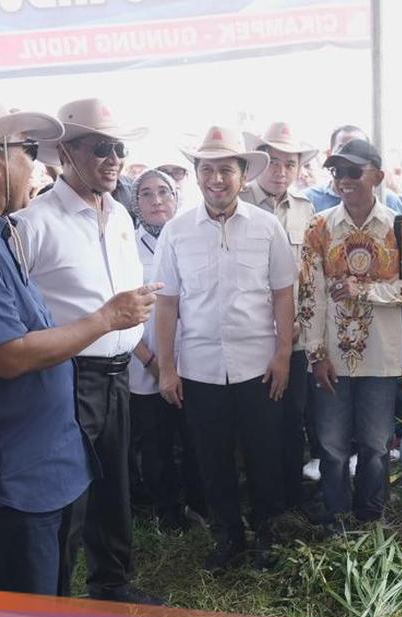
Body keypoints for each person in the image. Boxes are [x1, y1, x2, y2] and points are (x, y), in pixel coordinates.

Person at [0, 89, 157, 595]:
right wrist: (107, 318)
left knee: (46, 594)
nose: (35, 166)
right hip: (5, 469)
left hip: (31, 458)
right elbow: (8, 353)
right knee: (26, 603)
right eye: (28, 152)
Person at [16, 98, 157, 605]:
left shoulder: (120, 212)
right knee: (67, 496)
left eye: (118, 147)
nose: (113, 157)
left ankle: (111, 586)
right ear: (65, 154)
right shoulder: (33, 223)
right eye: (101, 147)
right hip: (65, 376)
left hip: (117, 372)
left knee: (114, 486)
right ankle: (53, 599)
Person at [153, 126, 296, 571]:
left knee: (264, 454)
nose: (217, 179)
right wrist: (167, 369)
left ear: (241, 174)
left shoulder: (267, 227)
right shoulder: (176, 233)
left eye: (226, 170)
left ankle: (267, 535)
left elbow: (283, 295)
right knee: (211, 459)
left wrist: (283, 354)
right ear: (197, 176)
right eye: (208, 170)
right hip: (200, 369)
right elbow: (167, 303)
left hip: (258, 366)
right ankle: (228, 536)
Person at [298, 138, 402, 531]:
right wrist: (316, 354)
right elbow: (310, 293)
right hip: (332, 357)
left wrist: (367, 290)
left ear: (377, 175)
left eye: (353, 171)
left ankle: (370, 517)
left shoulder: (400, 226)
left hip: (381, 356)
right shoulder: (319, 227)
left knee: (375, 446)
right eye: (337, 171)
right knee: (332, 447)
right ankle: (337, 518)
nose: (344, 179)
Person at [239, 122, 317, 514]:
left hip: (296, 336)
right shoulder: (239, 202)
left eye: (290, 163)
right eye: (273, 161)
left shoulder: (306, 210)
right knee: (257, 422)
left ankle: (292, 498)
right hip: (252, 335)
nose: (280, 170)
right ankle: (261, 503)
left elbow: (310, 275)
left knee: (292, 417)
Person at [127, 168, 207, 532]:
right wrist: (153, 361)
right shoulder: (125, 246)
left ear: (177, 199)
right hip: (146, 363)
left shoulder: (194, 240)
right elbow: (121, 313)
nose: (157, 200)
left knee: (196, 439)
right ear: (136, 203)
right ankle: (167, 511)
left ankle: (199, 504)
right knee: (156, 443)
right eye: (146, 194)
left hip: (191, 361)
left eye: (164, 192)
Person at [304, 125, 402, 215]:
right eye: (339, 172)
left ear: (377, 177)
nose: (345, 179)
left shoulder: (391, 203)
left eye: (355, 171)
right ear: (329, 154)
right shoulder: (309, 204)